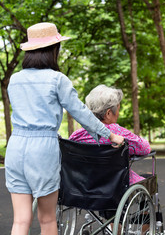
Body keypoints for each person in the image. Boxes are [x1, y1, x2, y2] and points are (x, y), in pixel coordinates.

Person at [5, 22, 124, 235]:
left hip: (15, 147)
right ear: (53, 49)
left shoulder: (15, 80)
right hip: (42, 149)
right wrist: (110, 134)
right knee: (48, 220)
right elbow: (81, 113)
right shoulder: (57, 79)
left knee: (20, 221)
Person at [69, 84, 151, 185]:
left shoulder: (77, 135)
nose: (118, 113)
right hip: (116, 186)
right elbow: (145, 148)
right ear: (108, 113)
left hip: (85, 187)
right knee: (149, 179)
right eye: (118, 109)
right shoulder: (118, 133)